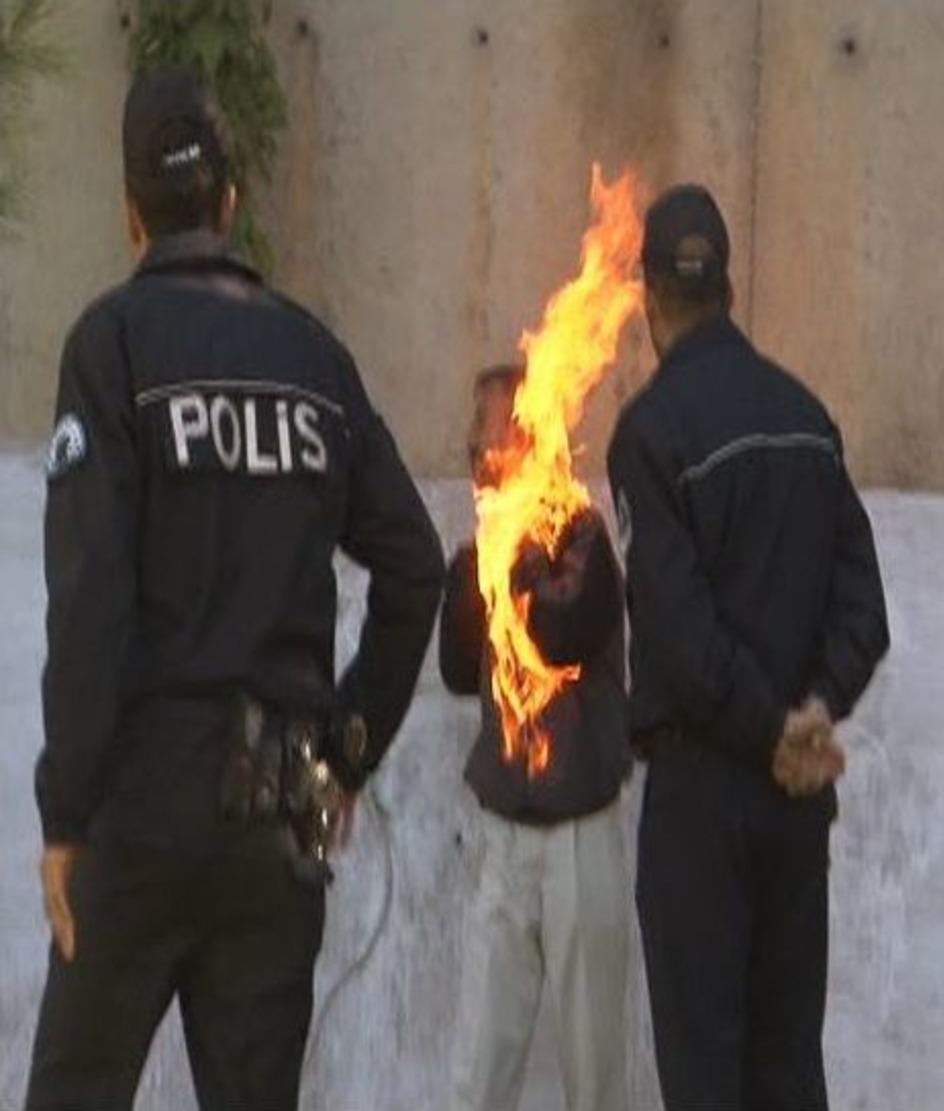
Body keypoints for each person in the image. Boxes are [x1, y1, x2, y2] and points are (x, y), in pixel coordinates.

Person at [26, 66, 444, 1111]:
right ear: (231, 199)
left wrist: (66, 815)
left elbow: (90, 598)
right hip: (277, 821)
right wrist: (345, 751)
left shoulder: (113, 346)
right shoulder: (314, 358)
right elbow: (414, 564)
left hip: (141, 808)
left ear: (131, 213)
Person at [607, 184, 890, 1110]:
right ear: (727, 287)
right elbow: (865, 610)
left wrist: (769, 729)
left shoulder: (650, 433)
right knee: (787, 1069)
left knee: (705, 1074)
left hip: (703, 799)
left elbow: (679, 633)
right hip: (797, 803)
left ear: (649, 295)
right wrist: (813, 711)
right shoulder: (807, 418)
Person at [440, 365, 632, 1111]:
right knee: (478, 1072)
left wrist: (508, 552)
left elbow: (561, 629)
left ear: (530, 438)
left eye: (488, 429)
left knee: (594, 1072)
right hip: (505, 836)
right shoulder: (487, 549)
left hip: (580, 834)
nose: (474, 447)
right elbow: (457, 667)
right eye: (473, 431)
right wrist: (474, 564)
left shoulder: (580, 537)